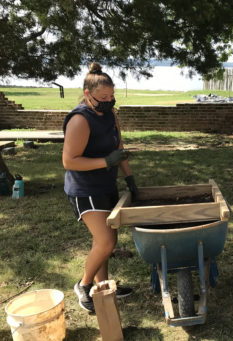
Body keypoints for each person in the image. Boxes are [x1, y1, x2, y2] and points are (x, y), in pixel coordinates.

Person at [62, 62, 139, 313]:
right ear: (88, 95)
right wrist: (105, 162)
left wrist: (130, 179)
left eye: (112, 97)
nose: (109, 101)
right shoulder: (79, 120)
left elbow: (119, 148)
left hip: (106, 184)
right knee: (106, 241)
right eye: (103, 97)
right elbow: (69, 160)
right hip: (85, 188)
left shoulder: (109, 115)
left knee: (107, 239)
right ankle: (83, 285)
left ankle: (103, 287)